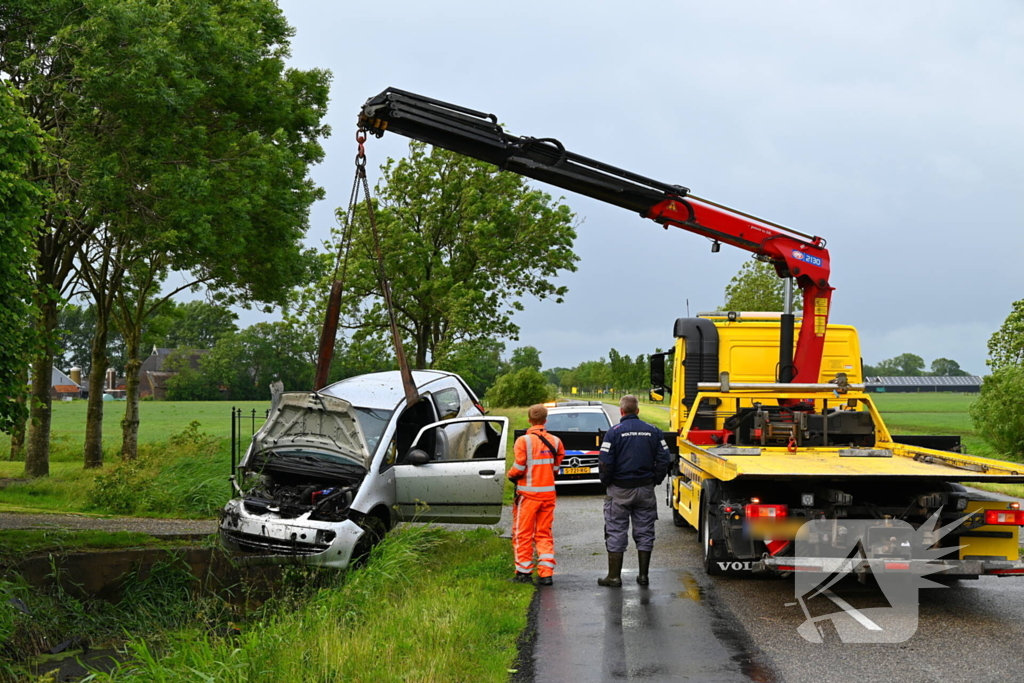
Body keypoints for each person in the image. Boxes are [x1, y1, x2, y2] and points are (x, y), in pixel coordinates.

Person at [597, 394, 672, 587]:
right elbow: (665, 458)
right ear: (637, 411)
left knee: (615, 530)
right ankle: (643, 576)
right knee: (645, 531)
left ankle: (614, 577)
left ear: (621, 411)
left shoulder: (613, 432)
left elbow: (605, 462)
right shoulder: (653, 431)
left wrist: (607, 482)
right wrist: (656, 479)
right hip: (645, 488)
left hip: (619, 489)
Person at [507, 404, 565, 585]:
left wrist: (510, 475)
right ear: (545, 420)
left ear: (529, 420)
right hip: (548, 495)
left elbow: (519, 467)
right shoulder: (556, 441)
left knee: (522, 533)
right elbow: (556, 469)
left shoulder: (523, 441)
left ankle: (524, 573)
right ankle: (546, 573)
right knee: (544, 533)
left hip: (528, 496)